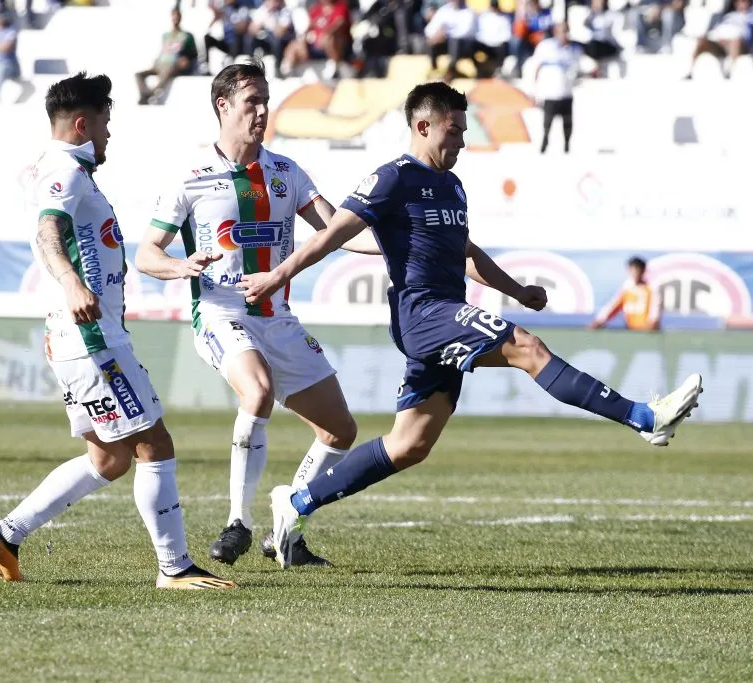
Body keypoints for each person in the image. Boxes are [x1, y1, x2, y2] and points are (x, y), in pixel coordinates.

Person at [238, 82, 704, 568]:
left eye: (463, 131)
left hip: (444, 313)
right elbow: (331, 235)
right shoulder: (392, 178)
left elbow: (466, 253)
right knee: (528, 349)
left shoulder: (452, 185)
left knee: (410, 444)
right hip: (423, 314)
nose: (461, 141)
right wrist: (278, 274)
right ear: (423, 126)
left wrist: (518, 290)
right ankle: (644, 418)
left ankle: (297, 503)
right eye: (454, 131)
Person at [0, 73, 234, 590]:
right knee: (153, 443)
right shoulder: (65, 171)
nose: (109, 134)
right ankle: (175, 568)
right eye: (106, 124)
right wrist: (71, 282)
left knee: (109, 457)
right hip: (91, 340)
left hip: (76, 338)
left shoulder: (59, 168)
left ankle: (7, 533)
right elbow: (49, 230)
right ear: (81, 124)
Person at [135, 62, 379, 568]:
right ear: (222, 106)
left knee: (340, 431)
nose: (263, 111)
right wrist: (180, 267)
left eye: (266, 100)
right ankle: (238, 523)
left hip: (279, 319)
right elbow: (146, 254)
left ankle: (288, 526)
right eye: (253, 102)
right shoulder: (192, 180)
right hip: (222, 315)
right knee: (259, 390)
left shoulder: (287, 172)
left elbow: (337, 232)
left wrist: (406, 247)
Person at [532, 22, 581, 154]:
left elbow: (577, 68)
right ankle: (544, 146)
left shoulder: (574, 49)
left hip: (566, 92)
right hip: (550, 92)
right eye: (561, 31)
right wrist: (535, 91)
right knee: (547, 124)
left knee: (568, 123)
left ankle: (567, 148)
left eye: (566, 31)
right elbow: (536, 68)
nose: (564, 34)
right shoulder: (546, 47)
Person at [136, 6, 198, 105]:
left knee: (168, 70)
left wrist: (187, 59)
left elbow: (194, 53)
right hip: (160, 63)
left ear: (180, 18)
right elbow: (163, 51)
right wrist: (157, 60)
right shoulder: (166, 35)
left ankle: (148, 95)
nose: (175, 19)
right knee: (138, 74)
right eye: (173, 16)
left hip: (173, 64)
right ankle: (145, 93)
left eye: (177, 16)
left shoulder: (187, 36)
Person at [588, 256, 661, 331]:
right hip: (631, 329)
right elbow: (614, 306)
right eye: (632, 270)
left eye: (638, 270)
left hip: (646, 330)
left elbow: (655, 308)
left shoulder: (650, 288)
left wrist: (653, 322)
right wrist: (600, 320)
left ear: (643, 271)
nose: (635, 273)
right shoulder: (627, 289)